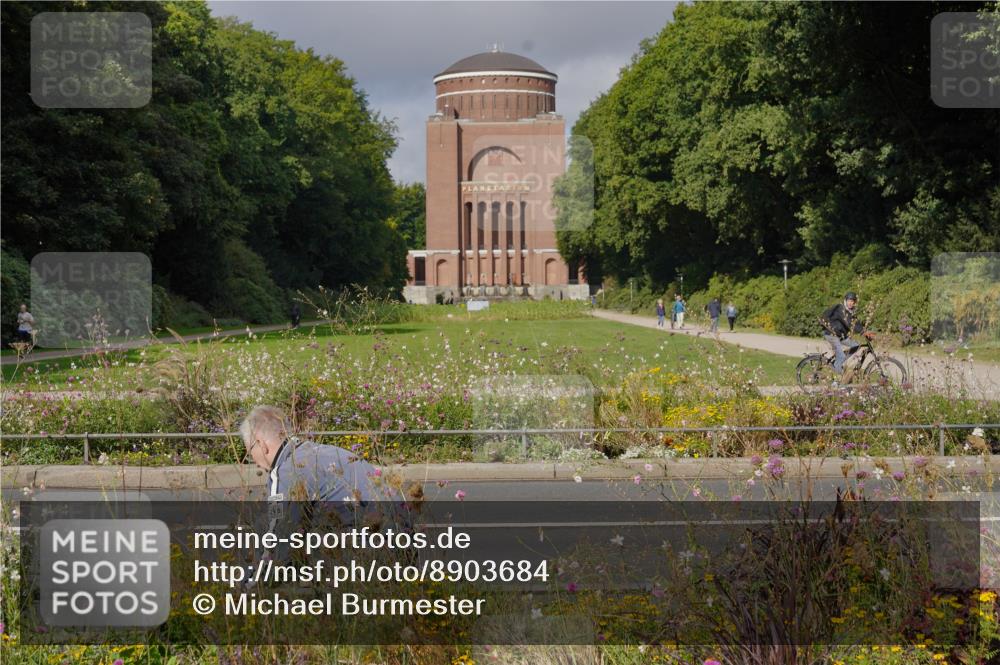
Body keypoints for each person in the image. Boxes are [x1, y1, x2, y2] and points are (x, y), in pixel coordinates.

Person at [819, 291, 874, 374]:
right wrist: (863, 332)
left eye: (852, 301)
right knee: (841, 356)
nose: (850, 303)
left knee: (856, 345)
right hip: (831, 334)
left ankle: (837, 362)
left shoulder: (851, 311)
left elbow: (856, 323)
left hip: (840, 335)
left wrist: (865, 331)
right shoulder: (841, 309)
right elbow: (848, 322)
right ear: (845, 300)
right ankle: (836, 382)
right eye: (849, 300)